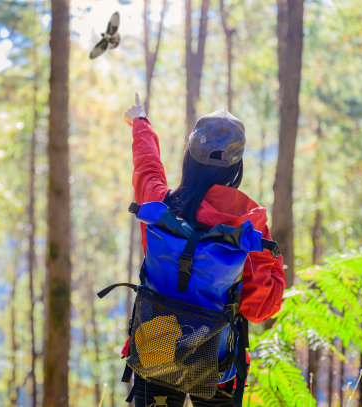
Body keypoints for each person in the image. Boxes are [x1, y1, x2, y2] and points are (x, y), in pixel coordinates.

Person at [123, 92, 286, 406]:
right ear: (236, 167)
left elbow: (148, 168)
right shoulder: (248, 225)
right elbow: (260, 308)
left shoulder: (160, 203)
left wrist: (141, 122)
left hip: (155, 347)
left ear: (189, 156)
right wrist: (274, 262)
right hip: (216, 364)